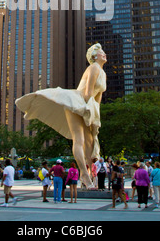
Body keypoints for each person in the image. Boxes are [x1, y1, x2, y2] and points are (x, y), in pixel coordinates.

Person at [16, 44, 107, 189]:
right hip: (77, 102)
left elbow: (98, 98)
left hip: (89, 104)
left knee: (90, 141)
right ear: (94, 56)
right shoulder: (94, 68)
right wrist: (86, 111)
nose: (104, 54)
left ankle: (92, 173)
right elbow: (88, 92)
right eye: (101, 52)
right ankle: (84, 173)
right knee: (80, 138)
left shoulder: (102, 72)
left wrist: (95, 116)